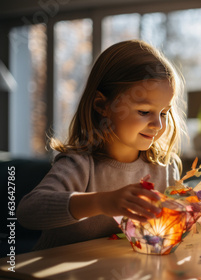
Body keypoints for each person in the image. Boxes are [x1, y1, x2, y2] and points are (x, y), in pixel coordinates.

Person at [17, 40, 186, 250]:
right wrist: (102, 202)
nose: (158, 124)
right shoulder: (80, 164)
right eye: (144, 112)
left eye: (164, 113)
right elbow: (28, 211)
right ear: (102, 105)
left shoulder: (164, 168)